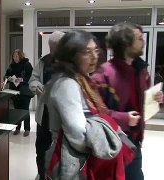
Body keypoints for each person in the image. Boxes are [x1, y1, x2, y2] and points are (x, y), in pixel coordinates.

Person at [44, 30, 134, 180]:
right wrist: (102, 144)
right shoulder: (67, 84)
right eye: (87, 52)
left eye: (95, 50)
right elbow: (77, 135)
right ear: (71, 54)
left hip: (80, 158)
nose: (94, 56)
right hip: (73, 162)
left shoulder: (82, 79)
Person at [92, 22, 163, 180]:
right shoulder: (103, 74)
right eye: (139, 38)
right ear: (125, 43)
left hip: (134, 143)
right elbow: (95, 113)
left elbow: (141, 100)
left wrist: (155, 98)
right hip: (110, 145)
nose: (143, 41)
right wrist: (124, 119)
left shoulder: (141, 71)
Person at [28, 31, 65, 180]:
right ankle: (42, 174)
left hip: (64, 117)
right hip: (45, 115)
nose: (53, 51)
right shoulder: (43, 62)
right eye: (51, 47)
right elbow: (33, 79)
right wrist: (36, 85)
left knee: (63, 149)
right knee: (42, 147)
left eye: (56, 48)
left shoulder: (73, 62)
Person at [5, 49, 33, 136]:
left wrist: (22, 79)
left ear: (20, 56)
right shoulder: (11, 66)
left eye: (16, 56)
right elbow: (5, 76)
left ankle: (27, 129)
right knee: (17, 110)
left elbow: (32, 76)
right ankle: (17, 128)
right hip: (14, 91)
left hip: (24, 91)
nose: (15, 58)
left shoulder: (27, 64)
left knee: (25, 110)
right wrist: (8, 78)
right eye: (14, 56)